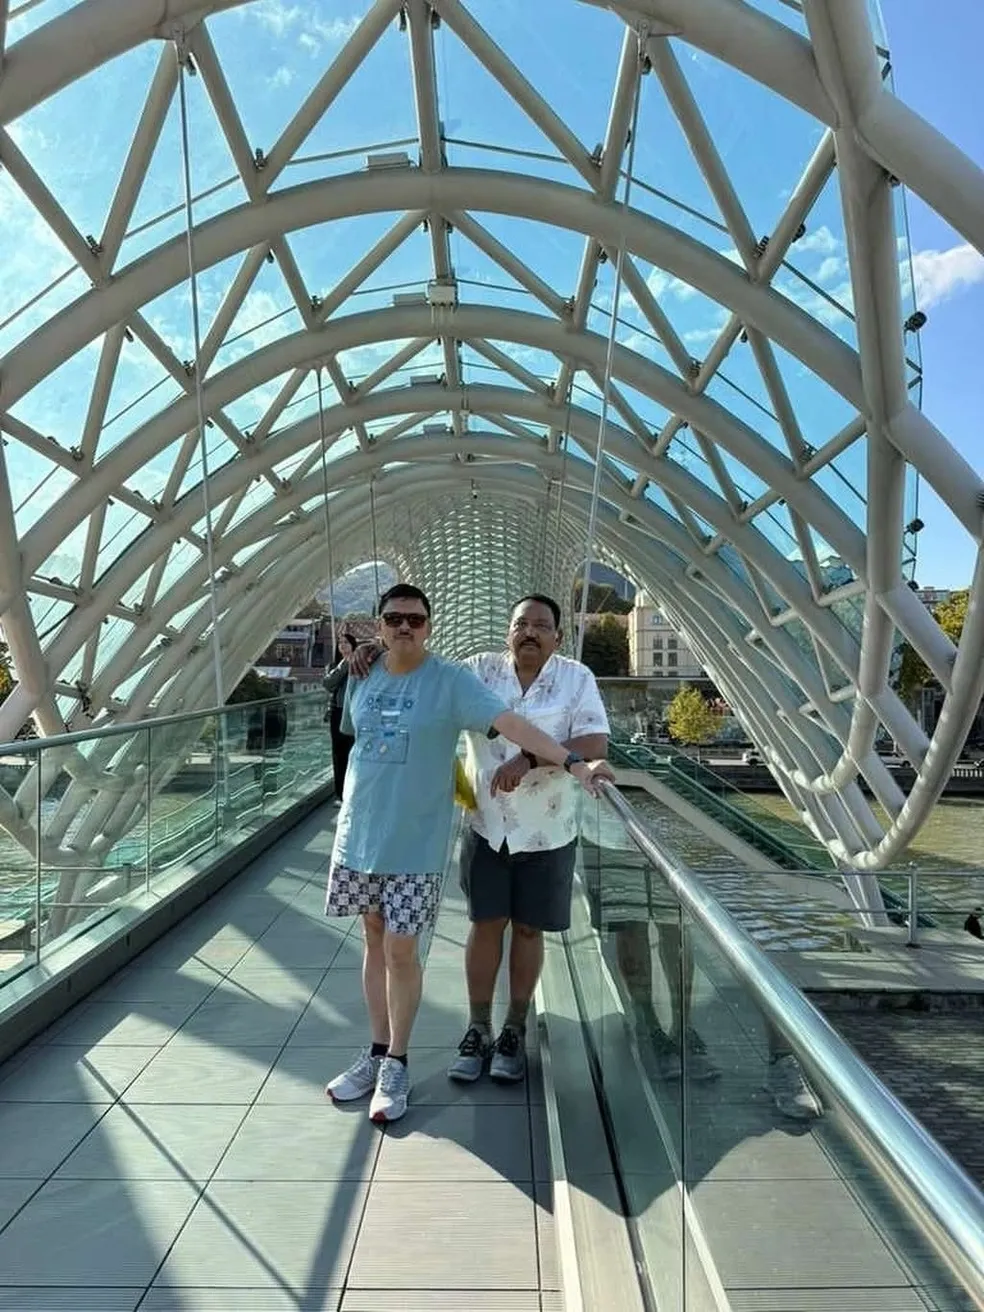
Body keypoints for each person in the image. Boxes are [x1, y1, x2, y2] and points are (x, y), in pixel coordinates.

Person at [323, 584, 614, 1124]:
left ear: (558, 635)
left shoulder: (473, 680)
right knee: (394, 935)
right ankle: (417, 1043)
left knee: (471, 939)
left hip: (537, 831)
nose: (404, 627)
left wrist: (569, 762)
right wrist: (364, 653)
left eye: (414, 619)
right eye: (393, 619)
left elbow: (523, 728)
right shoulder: (429, 671)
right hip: (442, 829)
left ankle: (474, 1040)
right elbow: (352, 740)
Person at [447, 595, 612, 1085]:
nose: (530, 632)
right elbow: (428, 688)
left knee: (527, 930)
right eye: (521, 624)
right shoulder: (478, 670)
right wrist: (373, 654)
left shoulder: (576, 678)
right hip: (486, 825)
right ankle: (478, 1027)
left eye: (541, 625)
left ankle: (514, 1029)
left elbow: (594, 743)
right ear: (508, 632)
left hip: (548, 831)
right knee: (484, 924)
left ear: (557, 637)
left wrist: (529, 758)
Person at [323, 631, 357, 799]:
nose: (343, 646)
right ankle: (341, 793)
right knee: (338, 753)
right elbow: (328, 684)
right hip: (338, 711)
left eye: (346, 642)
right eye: (340, 643)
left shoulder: (361, 664)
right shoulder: (334, 666)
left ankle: (353, 790)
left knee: (353, 751)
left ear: (353, 645)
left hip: (354, 712)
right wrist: (344, 665)